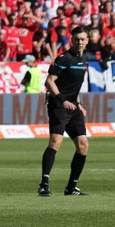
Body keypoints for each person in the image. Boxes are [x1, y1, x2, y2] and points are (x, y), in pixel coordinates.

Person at [40, 27, 90, 196]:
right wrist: (63, 100)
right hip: (58, 105)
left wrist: (78, 103)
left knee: (83, 146)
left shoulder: (84, 61)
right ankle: (44, 184)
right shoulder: (64, 58)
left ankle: (71, 187)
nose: (80, 42)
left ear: (87, 41)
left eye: (83, 39)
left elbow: (73, 88)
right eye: (77, 39)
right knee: (55, 142)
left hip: (73, 106)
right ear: (72, 40)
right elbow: (49, 81)